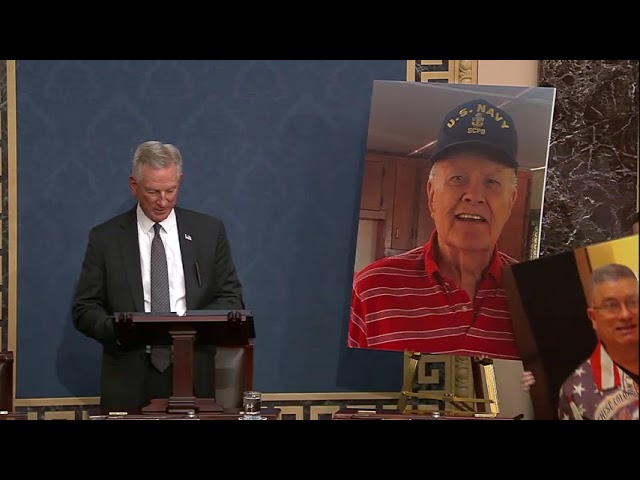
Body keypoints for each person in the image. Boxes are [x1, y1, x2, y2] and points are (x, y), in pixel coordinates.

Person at [72, 140, 244, 414]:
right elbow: (84, 308)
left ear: (180, 181)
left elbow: (231, 299)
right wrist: (121, 331)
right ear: (134, 186)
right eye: (153, 191)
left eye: (170, 190)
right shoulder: (106, 238)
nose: (163, 201)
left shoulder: (209, 232)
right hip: (128, 374)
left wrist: (189, 329)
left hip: (193, 372)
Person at [348, 98, 522, 359]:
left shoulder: (535, 298)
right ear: (431, 195)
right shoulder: (370, 289)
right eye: (457, 178)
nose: (474, 196)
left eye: (492, 182)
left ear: (511, 202)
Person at [523, 263, 638, 420]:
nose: (625, 315)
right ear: (593, 318)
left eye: (633, 302)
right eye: (611, 306)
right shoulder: (574, 394)